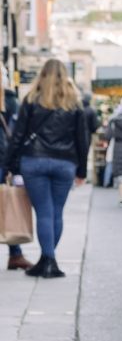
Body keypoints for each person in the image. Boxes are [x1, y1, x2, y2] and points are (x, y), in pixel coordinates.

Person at [2, 58, 89, 278]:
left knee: (43, 212)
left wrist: (10, 164)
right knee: (56, 213)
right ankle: (49, 260)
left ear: (42, 74)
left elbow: (19, 135)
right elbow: (82, 139)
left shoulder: (31, 99)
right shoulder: (74, 102)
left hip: (34, 161)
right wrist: (82, 172)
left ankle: (47, 260)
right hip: (65, 163)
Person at [0, 64, 33, 271]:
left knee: (6, 203)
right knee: (6, 204)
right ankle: (15, 254)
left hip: (2, 161)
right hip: (3, 160)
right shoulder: (10, 102)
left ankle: (16, 254)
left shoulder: (9, 101)